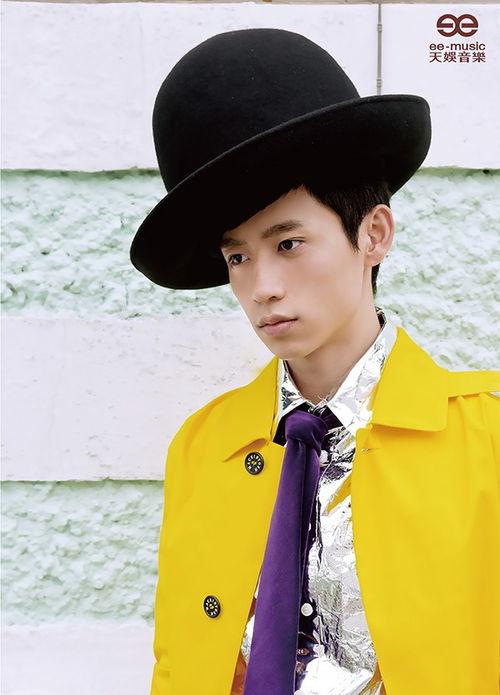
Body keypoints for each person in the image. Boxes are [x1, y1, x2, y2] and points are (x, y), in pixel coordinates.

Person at [129, 28, 500, 695]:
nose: (262, 286)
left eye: (289, 243)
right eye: (237, 256)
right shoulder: (204, 446)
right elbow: (181, 663)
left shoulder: (486, 436)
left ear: (373, 234)